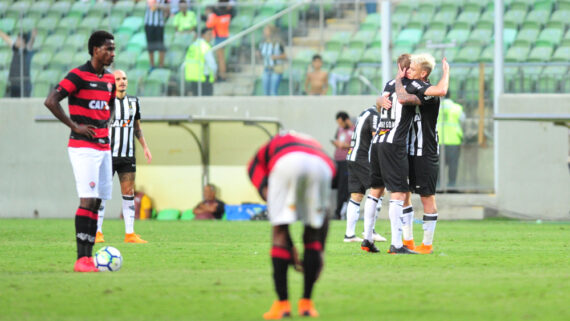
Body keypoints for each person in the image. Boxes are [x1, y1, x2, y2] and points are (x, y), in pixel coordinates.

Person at [43, 30, 116, 272]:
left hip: (104, 147)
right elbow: (51, 100)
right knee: (87, 199)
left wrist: (106, 127)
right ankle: (81, 259)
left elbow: (110, 106)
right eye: (108, 49)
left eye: (113, 49)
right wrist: (75, 126)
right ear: (95, 49)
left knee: (97, 202)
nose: (112, 54)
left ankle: (88, 257)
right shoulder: (77, 75)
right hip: (83, 148)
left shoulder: (109, 80)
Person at [248, 131, 335, 320]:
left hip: (286, 162)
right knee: (312, 233)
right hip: (323, 167)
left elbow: (252, 169)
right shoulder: (316, 146)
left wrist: (286, 241)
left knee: (278, 232)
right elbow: (325, 215)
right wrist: (321, 252)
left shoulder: (267, 151)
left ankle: (282, 305)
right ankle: (306, 305)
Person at [361, 53, 416, 253]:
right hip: (393, 144)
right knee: (399, 192)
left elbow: (382, 101)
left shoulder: (388, 84)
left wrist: (378, 101)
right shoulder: (409, 86)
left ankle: (367, 239)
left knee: (376, 189)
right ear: (408, 70)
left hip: (378, 141)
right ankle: (397, 244)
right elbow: (402, 98)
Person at [95, 69, 153, 244]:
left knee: (128, 193)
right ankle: (97, 232)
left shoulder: (134, 102)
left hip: (128, 155)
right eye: (118, 79)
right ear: (112, 82)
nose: (122, 81)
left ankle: (130, 234)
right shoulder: (105, 101)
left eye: (124, 78)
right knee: (102, 193)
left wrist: (145, 146)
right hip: (108, 155)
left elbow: (137, 128)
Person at [401, 54, 450, 254]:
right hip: (406, 150)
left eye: (412, 68)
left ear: (423, 73)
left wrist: (446, 72)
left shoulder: (422, 89)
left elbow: (442, 90)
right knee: (403, 193)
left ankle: (427, 244)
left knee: (426, 198)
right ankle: (408, 241)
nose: (408, 71)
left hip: (425, 151)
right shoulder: (411, 85)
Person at [344, 105, 387, 243]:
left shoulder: (365, 112)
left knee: (356, 195)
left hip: (352, 156)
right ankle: (370, 231)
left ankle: (349, 235)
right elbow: (376, 138)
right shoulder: (375, 115)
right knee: (379, 189)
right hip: (362, 158)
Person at [438, 93, 465, 188]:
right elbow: (463, 120)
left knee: (438, 164)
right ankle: (451, 185)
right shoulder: (457, 108)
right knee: (453, 164)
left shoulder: (436, 107)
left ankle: (438, 185)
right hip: (454, 140)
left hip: (438, 140)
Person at [0, 29, 36, 97]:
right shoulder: (15, 49)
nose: (16, 41)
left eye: (19, 39)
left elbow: (31, 43)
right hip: (14, 83)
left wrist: (33, 37)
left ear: (24, 42)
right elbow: (6, 38)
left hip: (24, 85)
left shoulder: (27, 51)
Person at [205, 0, 235, 81]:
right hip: (224, 36)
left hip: (219, 37)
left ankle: (222, 76)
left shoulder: (216, 16)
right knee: (221, 58)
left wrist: (209, 16)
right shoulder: (227, 15)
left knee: (220, 58)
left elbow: (209, 25)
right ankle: (222, 75)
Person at [332, 112, 354, 220]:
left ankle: (340, 213)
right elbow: (336, 139)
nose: (340, 125)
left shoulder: (354, 130)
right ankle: (338, 211)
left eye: (341, 123)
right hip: (338, 161)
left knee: (344, 188)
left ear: (346, 120)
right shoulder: (340, 130)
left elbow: (357, 145)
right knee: (337, 186)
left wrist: (347, 146)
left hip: (347, 161)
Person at [185, 28, 217, 96]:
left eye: (211, 34)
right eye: (209, 34)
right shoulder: (205, 46)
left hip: (192, 77)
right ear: (203, 35)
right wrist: (214, 73)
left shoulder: (193, 45)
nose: (211, 37)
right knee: (207, 102)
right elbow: (211, 63)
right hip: (204, 77)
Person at [259, 24, 286, 96]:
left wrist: (276, 57)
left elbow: (284, 55)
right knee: (265, 93)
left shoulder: (278, 43)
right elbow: (262, 55)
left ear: (271, 32)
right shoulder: (262, 43)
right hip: (267, 68)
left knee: (273, 92)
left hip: (276, 69)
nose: (264, 32)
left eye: (266, 30)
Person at [144, 0, 169, 70]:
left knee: (160, 46)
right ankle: (152, 65)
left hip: (159, 24)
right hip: (149, 23)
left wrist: (159, 6)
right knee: (150, 46)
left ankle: (161, 65)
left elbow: (167, 8)